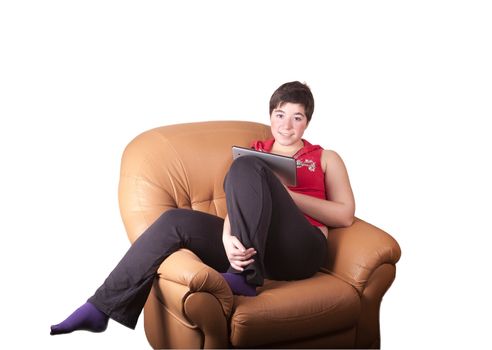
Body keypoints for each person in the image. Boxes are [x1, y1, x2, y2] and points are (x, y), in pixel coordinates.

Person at [50, 81, 355, 335]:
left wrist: (287, 196)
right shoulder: (254, 153)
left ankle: (243, 278)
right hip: (258, 251)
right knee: (175, 220)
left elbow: (344, 214)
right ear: (270, 115)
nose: (286, 125)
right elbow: (238, 206)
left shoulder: (325, 157)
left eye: (297, 117)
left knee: (249, 166)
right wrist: (226, 236)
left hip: (301, 251)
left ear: (307, 122)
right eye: (280, 114)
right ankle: (101, 306)